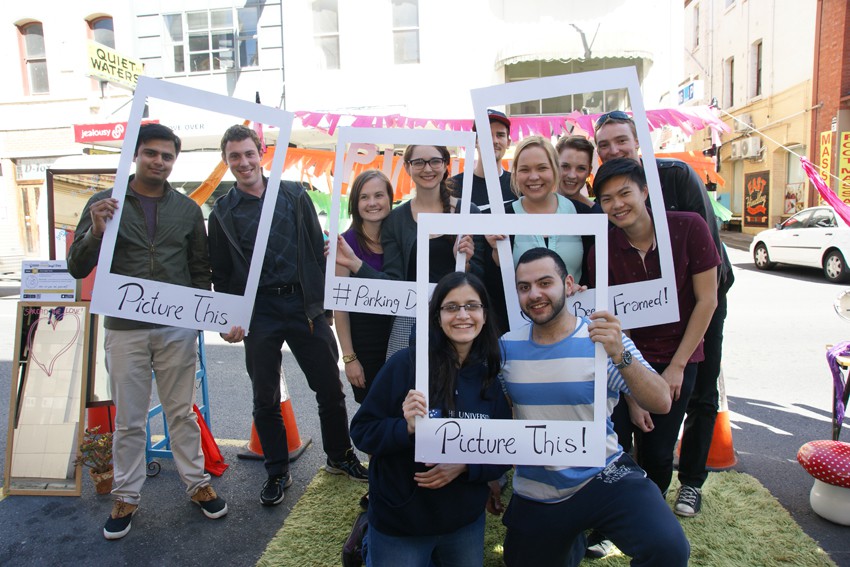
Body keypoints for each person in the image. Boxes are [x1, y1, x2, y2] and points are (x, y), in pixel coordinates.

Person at [67, 123, 227, 540]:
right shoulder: (105, 203)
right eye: (151, 153)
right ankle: (126, 495)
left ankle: (197, 484)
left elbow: (199, 270)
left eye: (167, 156)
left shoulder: (188, 210)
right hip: (124, 330)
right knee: (130, 421)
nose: (159, 161)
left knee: (181, 413)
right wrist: (96, 233)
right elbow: (76, 267)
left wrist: (202, 315)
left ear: (174, 161)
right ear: (136, 155)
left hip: (176, 328)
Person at [208, 125, 367, 508]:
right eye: (234, 156)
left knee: (330, 387)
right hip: (258, 312)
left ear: (260, 152)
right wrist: (227, 318)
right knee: (264, 396)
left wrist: (321, 306)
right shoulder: (223, 212)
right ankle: (277, 469)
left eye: (248, 153)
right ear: (227, 161)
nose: (243, 162)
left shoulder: (293, 195)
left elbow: (316, 252)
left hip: (302, 306)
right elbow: (222, 273)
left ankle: (339, 455)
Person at [499, 247, 688, 567]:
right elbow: (505, 410)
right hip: (539, 488)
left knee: (668, 548)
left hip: (604, 475)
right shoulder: (507, 348)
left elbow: (661, 401)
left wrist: (620, 355)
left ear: (569, 285)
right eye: (524, 287)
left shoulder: (602, 339)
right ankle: (567, 542)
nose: (535, 294)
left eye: (545, 283)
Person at [594, 110, 734, 517]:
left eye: (621, 139)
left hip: (692, 325)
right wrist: (632, 386)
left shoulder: (679, 191)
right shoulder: (602, 243)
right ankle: (617, 515)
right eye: (607, 198)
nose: (618, 204)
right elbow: (609, 310)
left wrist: (677, 367)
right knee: (621, 438)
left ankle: (687, 484)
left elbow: (707, 295)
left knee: (697, 398)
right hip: (633, 350)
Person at [350, 271, 511, 567]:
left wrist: (466, 465)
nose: (463, 315)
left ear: (485, 315)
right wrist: (405, 427)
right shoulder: (405, 365)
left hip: (463, 521)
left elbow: (504, 449)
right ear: (436, 317)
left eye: (472, 306)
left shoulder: (489, 373)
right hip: (402, 520)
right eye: (451, 307)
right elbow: (362, 431)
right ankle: (368, 540)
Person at [354, 144, 485, 359]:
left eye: (435, 161)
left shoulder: (468, 212)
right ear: (407, 167)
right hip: (411, 318)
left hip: (461, 315)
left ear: (445, 166)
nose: (427, 169)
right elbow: (393, 283)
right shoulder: (396, 220)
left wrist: (466, 262)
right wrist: (353, 262)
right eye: (418, 162)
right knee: (407, 385)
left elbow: (482, 278)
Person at [332, 170, 394, 403]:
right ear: (355, 204)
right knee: (373, 410)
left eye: (379, 195)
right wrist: (349, 358)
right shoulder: (345, 244)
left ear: (390, 198)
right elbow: (340, 309)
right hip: (365, 342)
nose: (372, 203)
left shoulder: (401, 237)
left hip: (399, 336)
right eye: (364, 197)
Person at [487, 136, 585, 282]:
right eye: (525, 170)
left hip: (575, 305)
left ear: (555, 169)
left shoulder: (581, 214)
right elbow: (493, 285)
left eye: (542, 168)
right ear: (515, 174)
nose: (533, 177)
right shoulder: (501, 218)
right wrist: (496, 252)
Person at [450, 108, 516, 213]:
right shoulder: (453, 186)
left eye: (500, 135)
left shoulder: (518, 184)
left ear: (508, 142)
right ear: (475, 141)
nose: (494, 141)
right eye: (487, 135)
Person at [555, 134, 600, 213]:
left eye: (581, 168)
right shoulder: (533, 207)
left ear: (589, 171)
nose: (572, 175)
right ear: (554, 166)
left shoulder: (596, 213)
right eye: (565, 166)